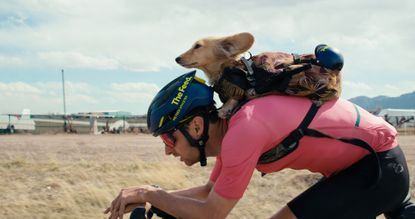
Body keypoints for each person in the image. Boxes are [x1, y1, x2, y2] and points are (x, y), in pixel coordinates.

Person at [105, 71, 415, 219]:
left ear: (196, 126)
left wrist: (150, 194)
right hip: (365, 169)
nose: (167, 149)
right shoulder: (234, 128)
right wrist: (152, 199)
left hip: (378, 170)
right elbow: (208, 193)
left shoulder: (243, 131)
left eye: (168, 138)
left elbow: (212, 212)